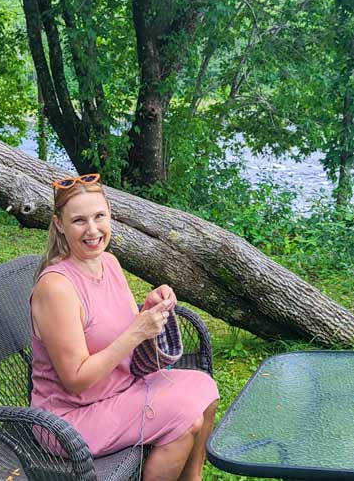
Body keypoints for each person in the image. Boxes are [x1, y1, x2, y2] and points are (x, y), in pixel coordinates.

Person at [30, 173, 219, 481]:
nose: (93, 230)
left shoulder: (109, 263)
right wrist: (137, 331)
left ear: (110, 216)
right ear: (59, 225)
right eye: (79, 221)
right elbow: (76, 379)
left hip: (119, 391)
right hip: (68, 420)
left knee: (204, 389)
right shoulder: (56, 287)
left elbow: (124, 328)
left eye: (99, 216)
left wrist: (151, 308)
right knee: (186, 419)